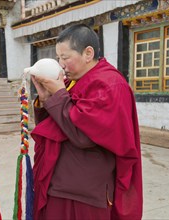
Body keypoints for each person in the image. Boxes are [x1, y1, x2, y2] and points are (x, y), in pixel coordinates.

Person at [31, 24, 143, 220]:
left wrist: (58, 96)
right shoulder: (74, 82)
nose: (61, 65)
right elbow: (54, 127)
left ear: (88, 53)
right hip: (58, 186)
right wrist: (46, 99)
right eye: (59, 58)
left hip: (85, 195)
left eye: (65, 58)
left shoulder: (110, 84)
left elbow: (83, 135)